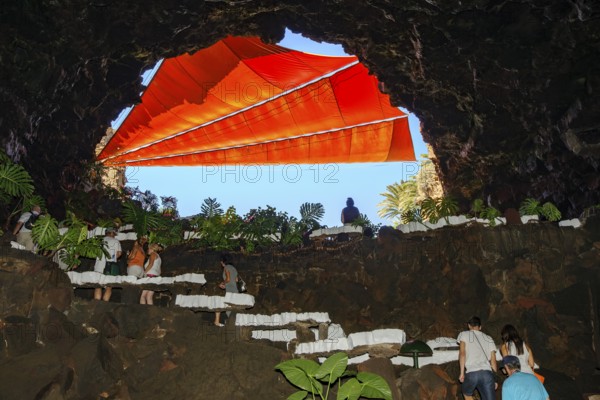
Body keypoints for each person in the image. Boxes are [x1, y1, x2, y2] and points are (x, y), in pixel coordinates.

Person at [457, 316, 498, 400]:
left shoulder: (463, 334)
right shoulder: (489, 338)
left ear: (469, 325)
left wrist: (461, 373)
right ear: (480, 327)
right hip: (487, 373)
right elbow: (493, 360)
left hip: (472, 373)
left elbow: (462, 353)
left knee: (467, 394)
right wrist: (495, 379)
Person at [94, 227, 122, 301]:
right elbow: (118, 254)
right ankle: (105, 304)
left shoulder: (99, 241)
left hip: (98, 266)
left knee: (98, 285)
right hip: (110, 266)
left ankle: (96, 303)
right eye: (114, 233)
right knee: (109, 286)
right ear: (112, 233)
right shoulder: (115, 241)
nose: (115, 235)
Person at [214, 254, 238, 327]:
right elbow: (236, 280)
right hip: (235, 290)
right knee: (231, 308)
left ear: (223, 261)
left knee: (220, 304)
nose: (220, 263)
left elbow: (228, 279)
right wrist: (226, 285)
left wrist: (222, 283)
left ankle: (217, 322)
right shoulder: (234, 268)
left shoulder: (226, 267)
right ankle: (229, 323)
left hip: (230, 291)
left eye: (221, 261)